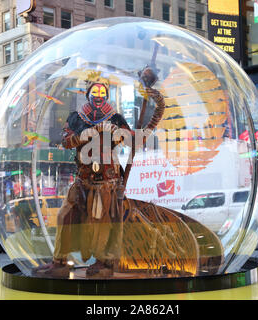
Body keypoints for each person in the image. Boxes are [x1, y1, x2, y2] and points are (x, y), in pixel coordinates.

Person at [34, 70, 165, 278]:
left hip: (107, 182)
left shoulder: (115, 118)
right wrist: (80, 136)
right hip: (83, 179)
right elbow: (65, 140)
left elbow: (134, 141)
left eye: (102, 91)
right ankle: (59, 261)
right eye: (94, 90)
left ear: (107, 94)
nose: (98, 95)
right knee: (65, 215)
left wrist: (120, 132)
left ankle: (104, 262)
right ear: (88, 93)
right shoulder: (77, 118)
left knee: (102, 222)